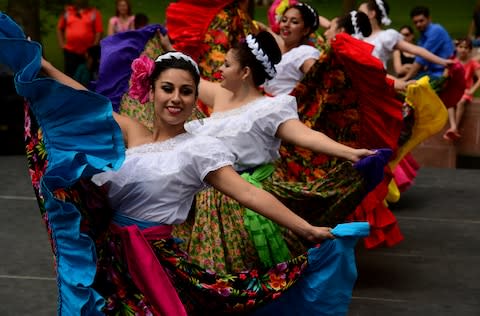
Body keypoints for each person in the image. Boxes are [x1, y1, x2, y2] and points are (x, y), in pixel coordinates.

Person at [0, 13, 370, 314]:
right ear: (152, 91)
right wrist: (44, 65)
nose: (176, 99)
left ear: (196, 97)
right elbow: (84, 99)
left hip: (153, 265)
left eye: (186, 91)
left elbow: (248, 194)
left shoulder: (199, 149)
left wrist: (306, 229)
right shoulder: (131, 132)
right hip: (107, 259)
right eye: (168, 88)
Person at [358, 0, 451, 76]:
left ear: (372, 14)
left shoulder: (385, 36)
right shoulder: (358, 37)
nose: (356, 16)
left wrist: (443, 62)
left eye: (360, 12)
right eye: (415, 22)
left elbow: (417, 51)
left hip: (376, 82)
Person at [403, 5, 455, 80]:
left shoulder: (436, 30)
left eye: (421, 21)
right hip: (432, 71)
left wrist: (406, 78)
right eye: (415, 22)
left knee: (409, 85)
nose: (418, 24)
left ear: (429, 19)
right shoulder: (423, 35)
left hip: (443, 72)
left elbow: (421, 59)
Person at [444, 38, 480, 141]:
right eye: (461, 47)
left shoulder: (473, 63)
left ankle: (455, 128)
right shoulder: (453, 62)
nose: (463, 50)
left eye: (466, 48)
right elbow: (446, 76)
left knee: (460, 101)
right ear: (456, 48)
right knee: (450, 101)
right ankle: (453, 127)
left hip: (465, 91)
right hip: (454, 90)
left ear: (470, 50)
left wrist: (472, 90)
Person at [56, 0, 103, 76]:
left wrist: (93, 51)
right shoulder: (67, 12)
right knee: (70, 76)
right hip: (70, 51)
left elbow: (99, 32)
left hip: (87, 53)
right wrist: (62, 44)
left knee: (87, 76)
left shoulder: (94, 13)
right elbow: (60, 28)